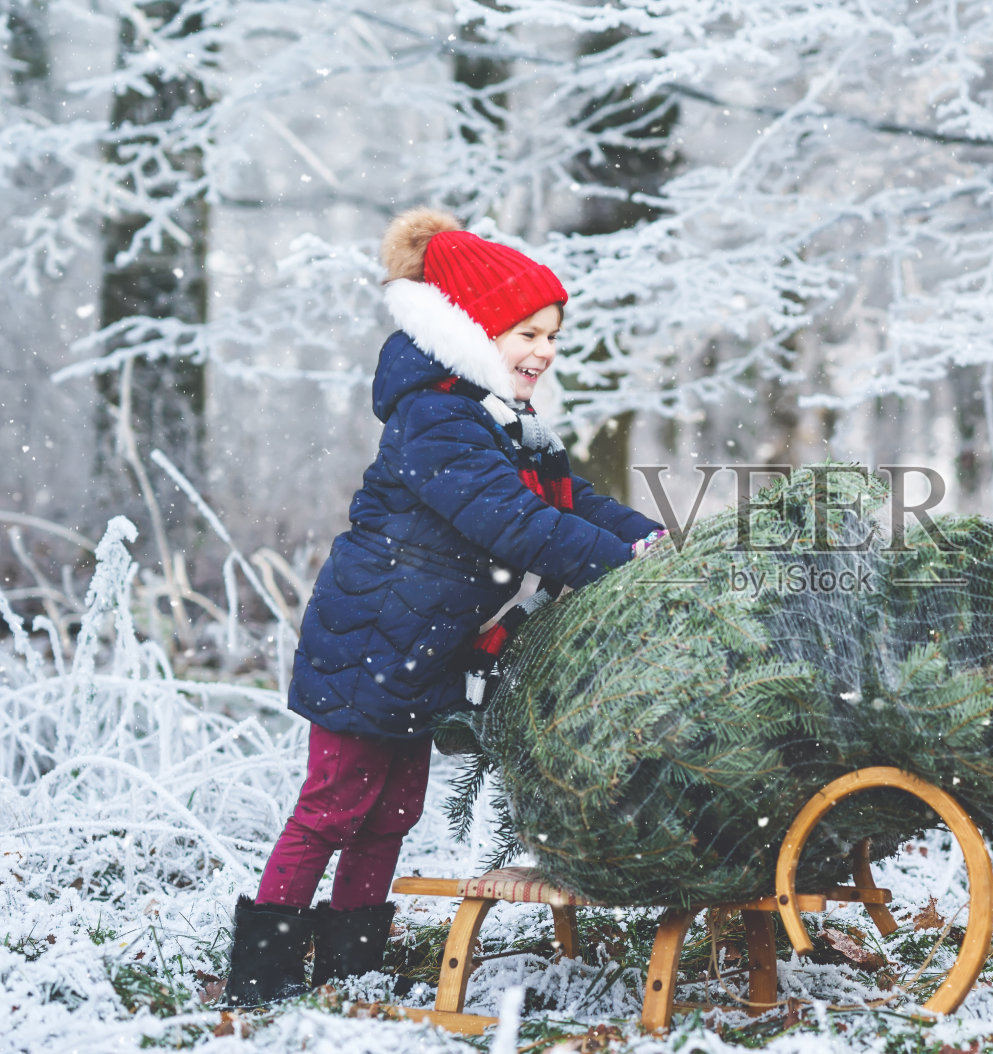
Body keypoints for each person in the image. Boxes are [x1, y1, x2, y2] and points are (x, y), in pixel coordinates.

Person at [224, 209, 665, 1005]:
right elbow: (514, 521)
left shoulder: (503, 419)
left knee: (393, 808)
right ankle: (264, 970)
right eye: (525, 332)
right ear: (474, 329)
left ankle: (353, 961)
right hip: (372, 640)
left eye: (552, 335)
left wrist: (651, 540)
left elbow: (575, 499)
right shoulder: (438, 418)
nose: (543, 351)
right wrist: (614, 565)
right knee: (333, 806)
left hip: (422, 644)